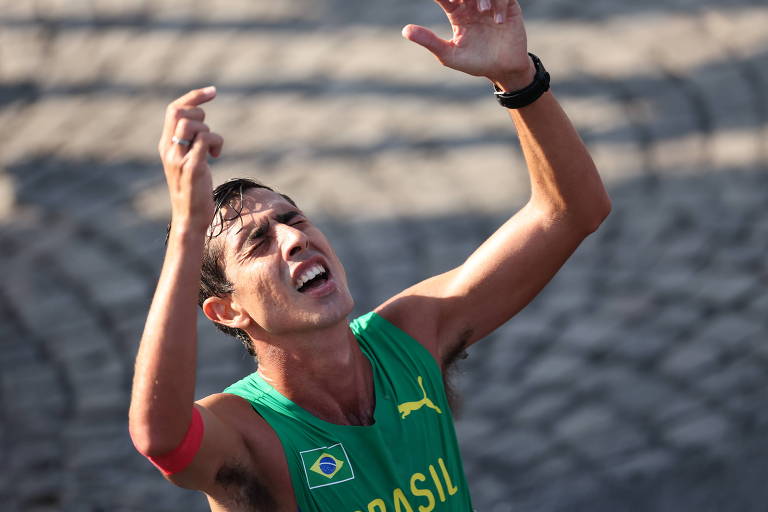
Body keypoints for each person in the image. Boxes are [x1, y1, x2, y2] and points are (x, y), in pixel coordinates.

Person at [128, 0, 611, 510]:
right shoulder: (248, 431)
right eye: (258, 244)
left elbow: (573, 211)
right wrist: (187, 229)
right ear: (228, 309)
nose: (294, 240)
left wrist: (518, 79)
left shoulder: (409, 338)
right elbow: (162, 440)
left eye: (292, 220)